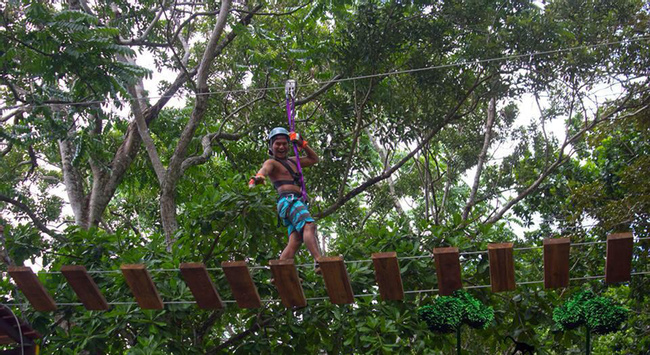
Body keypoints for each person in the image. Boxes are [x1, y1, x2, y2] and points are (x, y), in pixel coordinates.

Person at [250, 127, 322, 272]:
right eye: (277, 144)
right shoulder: (272, 163)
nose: (281, 147)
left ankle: (280, 272)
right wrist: (259, 177)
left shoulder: (294, 161)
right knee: (309, 226)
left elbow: (314, 159)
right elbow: (264, 170)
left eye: (284, 143)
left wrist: (302, 143)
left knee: (295, 241)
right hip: (289, 201)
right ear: (271, 146)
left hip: (294, 203)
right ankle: (319, 261)